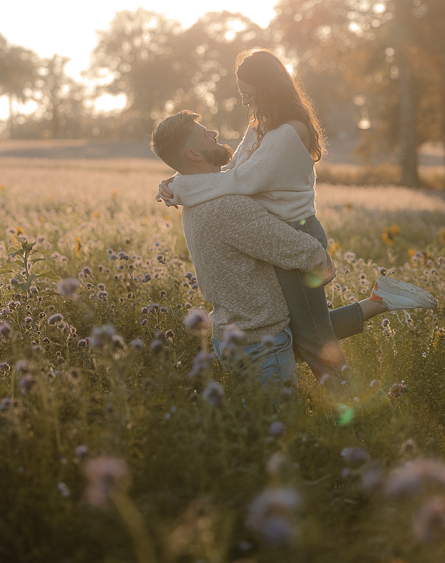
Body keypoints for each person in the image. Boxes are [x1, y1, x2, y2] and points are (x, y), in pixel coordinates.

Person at [156, 49, 436, 385]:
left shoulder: (290, 132)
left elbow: (241, 181)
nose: (245, 102)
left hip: (295, 235)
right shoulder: (260, 125)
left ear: (266, 88)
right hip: (270, 232)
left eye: (247, 94)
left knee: (313, 339)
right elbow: (231, 169)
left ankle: (350, 403)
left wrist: (183, 186)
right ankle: (379, 301)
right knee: (301, 332)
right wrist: (176, 180)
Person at [150, 110, 387, 387]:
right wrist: (320, 257)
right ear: (194, 154)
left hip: (232, 333)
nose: (214, 134)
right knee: (282, 427)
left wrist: (171, 182)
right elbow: (294, 248)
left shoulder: (194, 193)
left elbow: (230, 171)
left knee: (313, 331)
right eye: (205, 134)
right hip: (260, 344)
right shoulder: (225, 206)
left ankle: (381, 303)